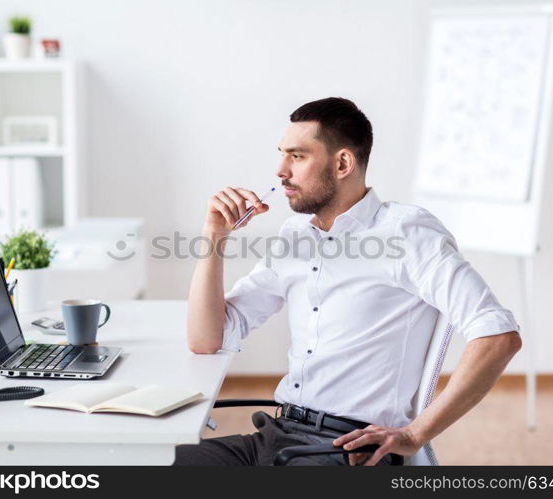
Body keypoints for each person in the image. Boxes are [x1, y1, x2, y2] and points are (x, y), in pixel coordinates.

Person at [174, 97, 521, 466]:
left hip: (348, 451)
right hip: (278, 436)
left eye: (297, 156)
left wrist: (415, 435)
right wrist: (214, 235)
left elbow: (498, 335)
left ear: (342, 163)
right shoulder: (296, 237)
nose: (280, 170)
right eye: (282, 154)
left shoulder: (404, 232)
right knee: (151, 465)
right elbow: (206, 339)